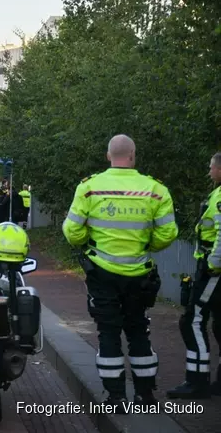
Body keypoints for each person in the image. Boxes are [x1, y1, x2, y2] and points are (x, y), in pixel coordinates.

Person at [62, 134, 178, 407]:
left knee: (108, 331)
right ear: (133, 155)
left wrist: (89, 242)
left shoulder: (89, 188)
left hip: (101, 273)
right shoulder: (155, 190)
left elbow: (72, 231)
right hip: (139, 274)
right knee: (138, 329)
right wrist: (146, 244)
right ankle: (146, 395)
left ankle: (115, 398)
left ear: (108, 156)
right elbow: (168, 233)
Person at [167, 152, 221, 399]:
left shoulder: (220, 196)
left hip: (213, 271)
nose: (209, 172)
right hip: (212, 268)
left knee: (192, 320)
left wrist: (213, 264)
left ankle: (197, 381)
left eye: (211, 167)